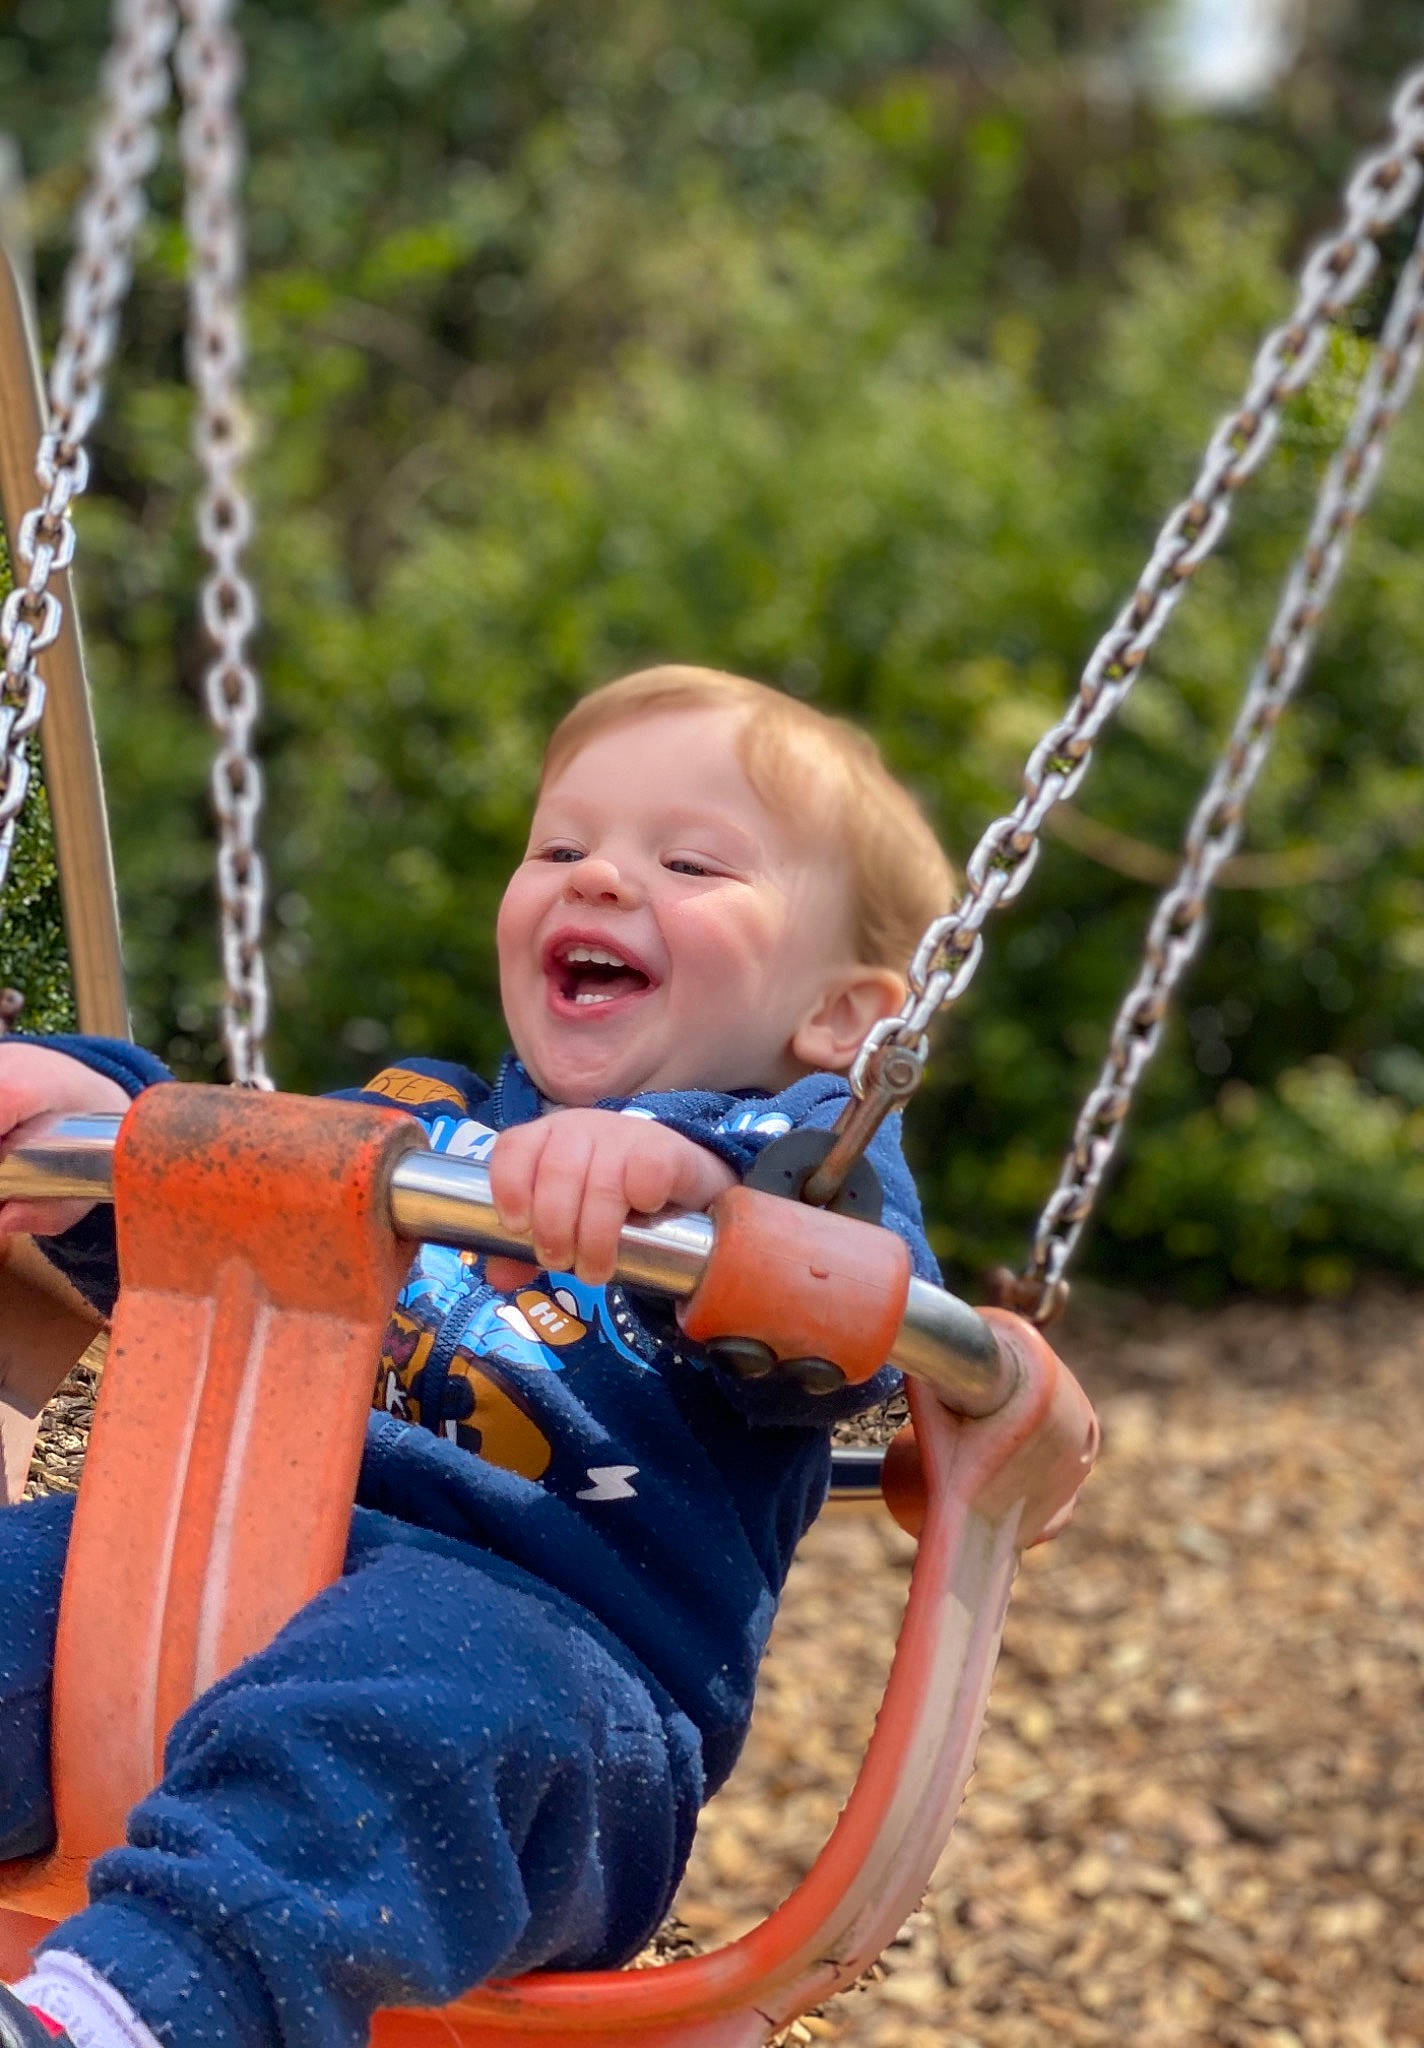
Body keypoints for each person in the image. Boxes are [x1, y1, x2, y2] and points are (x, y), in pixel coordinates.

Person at [0, 666, 956, 2048]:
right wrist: (97, 1111)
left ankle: (123, 2018)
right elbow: (221, 1205)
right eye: (560, 848)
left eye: (689, 863)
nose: (600, 878)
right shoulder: (420, 1124)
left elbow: (856, 1318)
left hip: (555, 1698)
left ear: (844, 1020)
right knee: (35, 1577)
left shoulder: (806, 1180)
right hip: (227, 1578)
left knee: (394, 1706)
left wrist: (699, 1186)